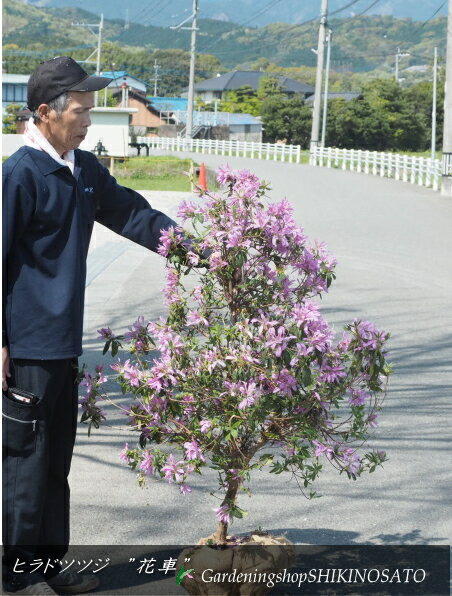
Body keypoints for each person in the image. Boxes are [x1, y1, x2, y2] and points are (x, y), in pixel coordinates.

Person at [2, 56, 194, 595]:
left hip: (64, 341)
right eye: (80, 111)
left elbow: (134, 213)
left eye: (90, 110)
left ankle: (48, 561)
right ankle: (14, 568)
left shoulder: (82, 170)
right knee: (25, 460)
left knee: (56, 458)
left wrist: (194, 250)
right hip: (27, 346)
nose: (88, 121)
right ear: (45, 112)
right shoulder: (19, 176)